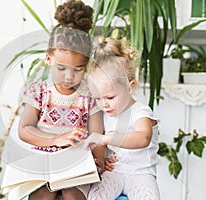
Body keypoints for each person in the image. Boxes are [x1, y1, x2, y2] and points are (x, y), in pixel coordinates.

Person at [18, 1, 105, 200]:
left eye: (78, 70)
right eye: (61, 68)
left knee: (72, 193)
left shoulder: (90, 96)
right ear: (48, 59)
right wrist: (55, 140)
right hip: (45, 161)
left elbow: (97, 135)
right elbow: (24, 129)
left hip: (76, 164)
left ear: (86, 65)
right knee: (42, 193)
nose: (69, 76)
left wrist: (98, 159)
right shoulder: (38, 92)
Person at [86, 36, 160, 200]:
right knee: (95, 196)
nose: (104, 104)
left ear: (130, 86)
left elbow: (143, 138)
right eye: (98, 98)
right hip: (115, 173)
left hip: (141, 175)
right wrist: (102, 159)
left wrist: (107, 139)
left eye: (110, 98)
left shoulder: (140, 112)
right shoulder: (104, 114)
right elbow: (99, 144)